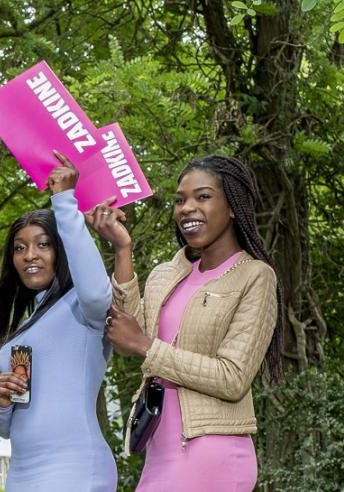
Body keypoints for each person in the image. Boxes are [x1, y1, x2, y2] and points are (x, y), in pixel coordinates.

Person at [90, 155, 282, 491]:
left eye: (203, 197)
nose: (186, 208)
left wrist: (146, 346)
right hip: (159, 450)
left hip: (213, 450)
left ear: (233, 205)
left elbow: (233, 377)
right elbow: (128, 333)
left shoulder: (255, 277)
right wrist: (122, 249)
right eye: (180, 200)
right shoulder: (168, 274)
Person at [0, 154, 117, 490]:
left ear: (62, 251)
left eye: (43, 245)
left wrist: (64, 201)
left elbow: (97, 293)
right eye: (20, 248)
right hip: (22, 473)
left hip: (74, 467)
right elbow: (6, 428)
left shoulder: (82, 307)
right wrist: (1, 404)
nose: (30, 255)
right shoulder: (22, 330)